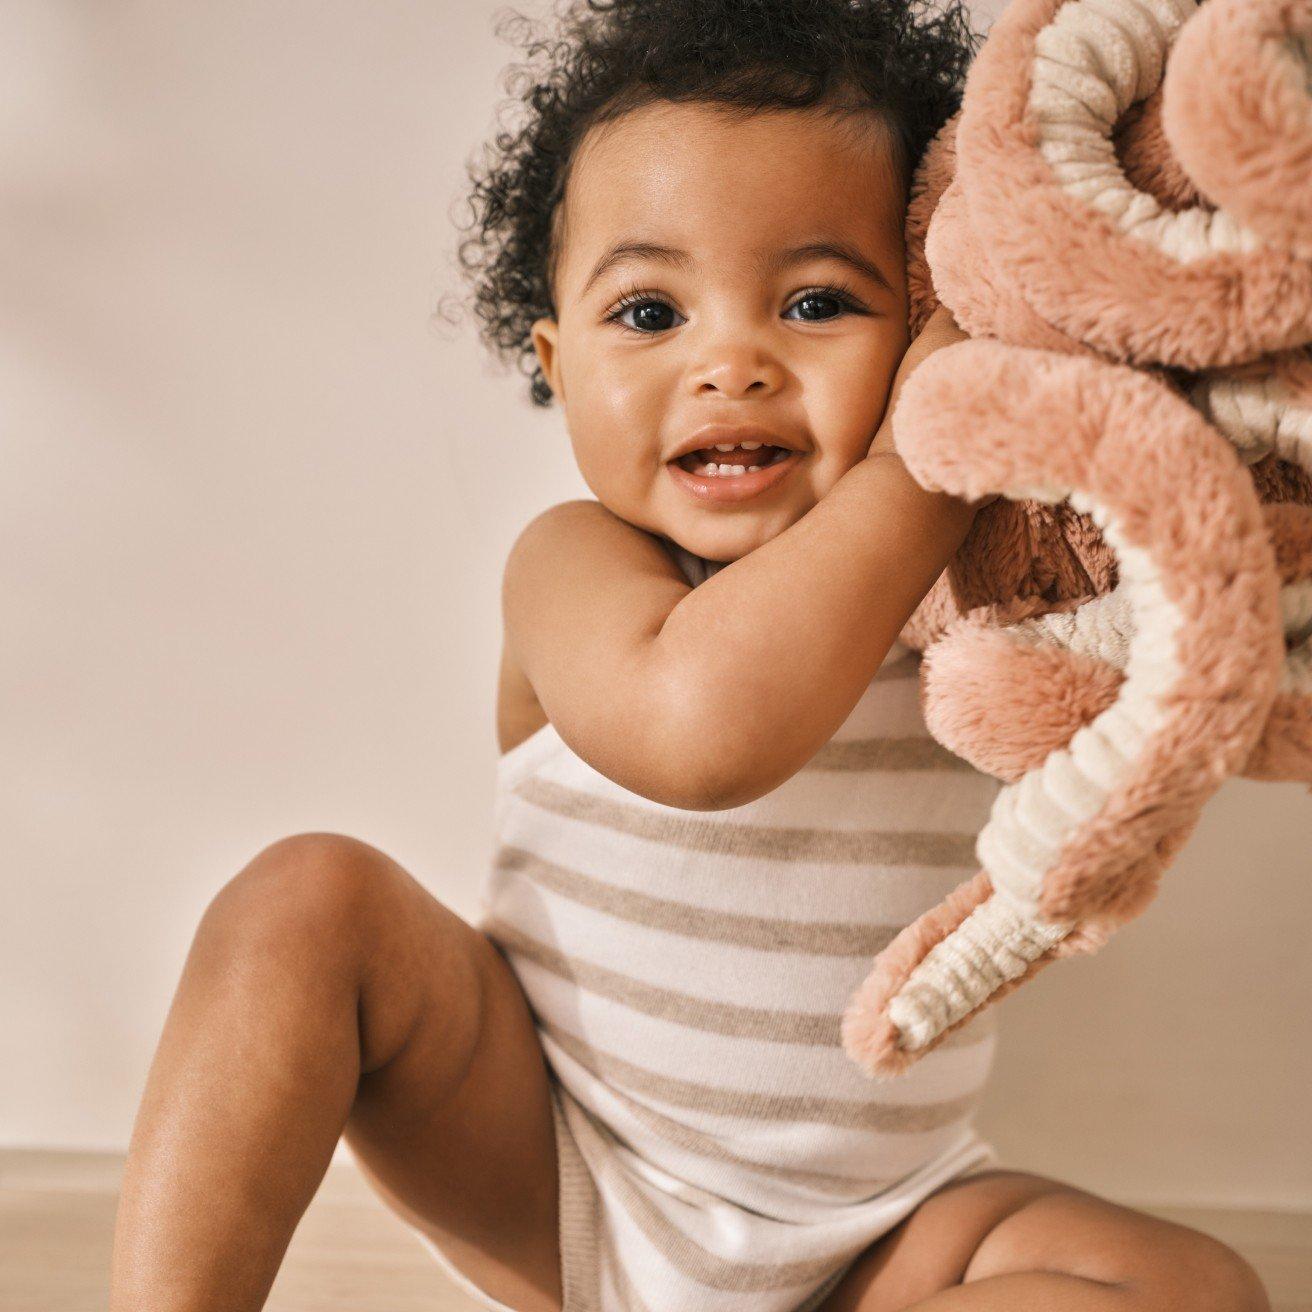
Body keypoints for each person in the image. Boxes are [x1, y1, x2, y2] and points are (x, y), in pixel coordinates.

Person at [108, 1, 1272, 1309]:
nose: (732, 362)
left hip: (880, 1226)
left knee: (1199, 1288)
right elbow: (703, 733)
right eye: (652, 311)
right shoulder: (581, 568)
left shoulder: (967, 592)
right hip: (557, 1153)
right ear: (555, 362)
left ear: (930, 321)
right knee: (306, 897)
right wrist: (929, 459)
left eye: (819, 301)